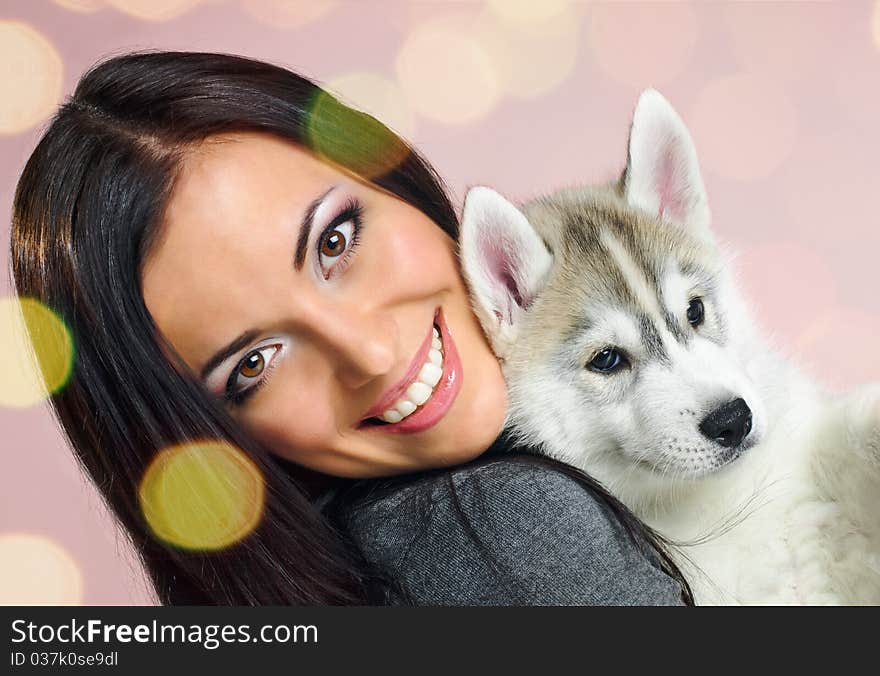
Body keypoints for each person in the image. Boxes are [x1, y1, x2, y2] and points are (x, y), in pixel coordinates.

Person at [10, 51, 692, 605]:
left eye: (335, 242)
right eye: (254, 363)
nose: (367, 353)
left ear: (388, 173)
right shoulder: (497, 527)